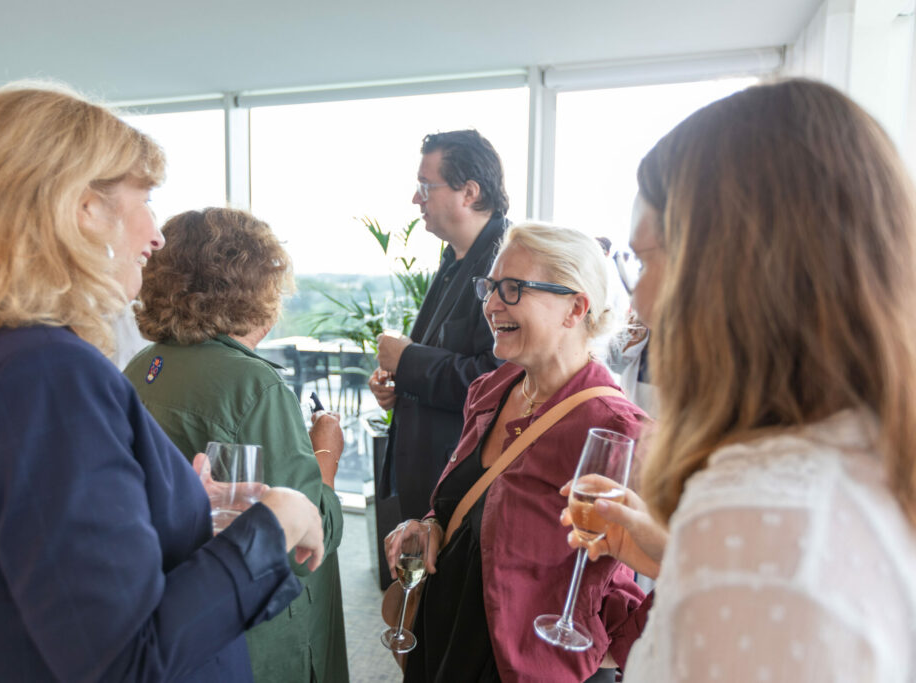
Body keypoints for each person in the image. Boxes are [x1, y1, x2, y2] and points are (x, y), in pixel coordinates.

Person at [0, 83, 325, 682]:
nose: (156, 235)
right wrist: (274, 523)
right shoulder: (43, 376)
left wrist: (171, 503)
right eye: (144, 197)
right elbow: (127, 662)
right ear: (81, 207)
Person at [566, 79, 916, 682]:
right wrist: (677, 555)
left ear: (727, 271)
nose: (638, 304)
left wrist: (721, 550)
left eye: (644, 261)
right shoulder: (858, 463)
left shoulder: (762, 524)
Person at [386, 222, 647, 682]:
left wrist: (620, 652)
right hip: (448, 635)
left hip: (522, 665)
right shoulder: (492, 389)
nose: (489, 305)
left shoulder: (614, 425)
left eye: (512, 289)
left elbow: (697, 561)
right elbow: (463, 507)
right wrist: (426, 526)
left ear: (575, 308)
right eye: (489, 287)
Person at [123, 207, 349, 683]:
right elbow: (306, 541)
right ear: (255, 287)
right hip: (257, 635)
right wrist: (325, 449)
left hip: (180, 608)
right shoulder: (253, 386)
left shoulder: (143, 366)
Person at [370, 129, 508, 530]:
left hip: (465, 484)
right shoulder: (453, 258)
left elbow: (497, 378)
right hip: (428, 473)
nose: (416, 199)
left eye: (425, 186)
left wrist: (408, 359)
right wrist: (398, 381)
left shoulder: (506, 263)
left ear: (468, 192)